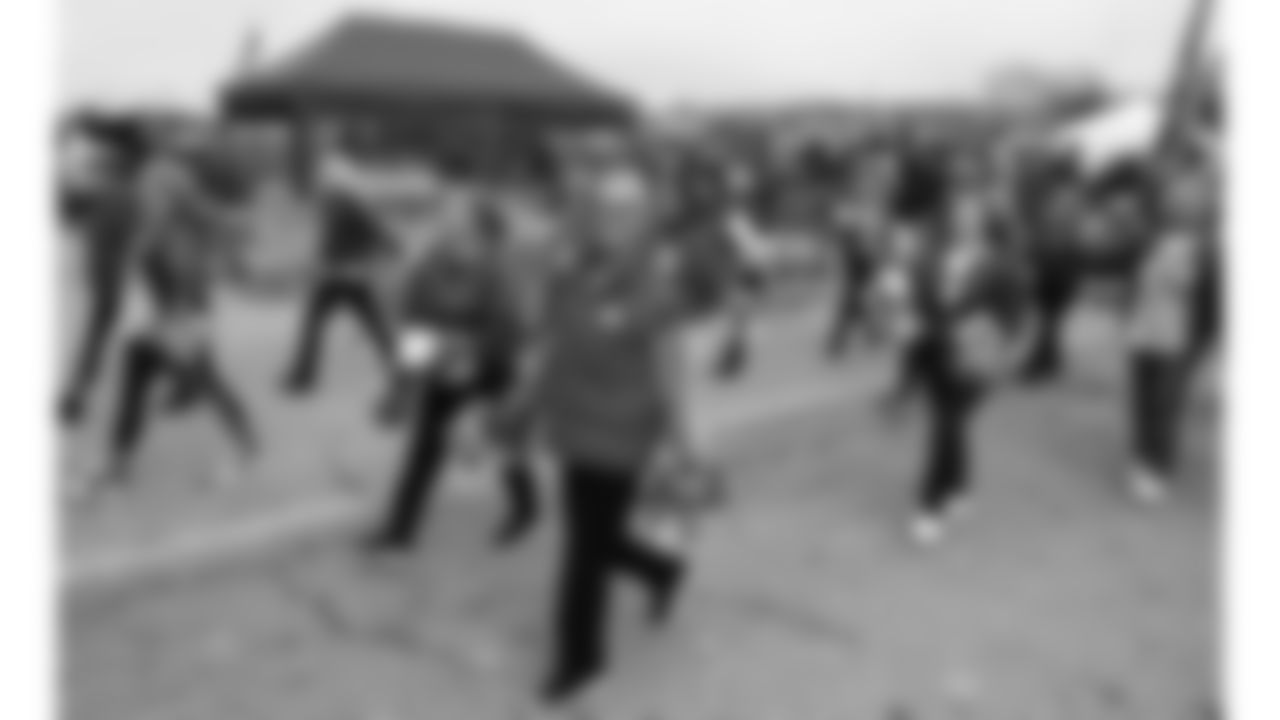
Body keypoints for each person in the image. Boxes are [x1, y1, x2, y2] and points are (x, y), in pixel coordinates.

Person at [521, 157, 695, 704]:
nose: (611, 216)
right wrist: (522, 407)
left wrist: (683, 442)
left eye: (625, 207)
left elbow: (672, 369)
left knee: (581, 553)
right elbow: (546, 338)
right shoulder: (572, 269)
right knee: (597, 542)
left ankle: (580, 659)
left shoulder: (657, 287)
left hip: (623, 437)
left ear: (645, 216)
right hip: (574, 427)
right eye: (603, 206)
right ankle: (662, 569)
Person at [85, 125, 262, 494]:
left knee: (206, 379)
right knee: (135, 376)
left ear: (125, 156)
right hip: (157, 299)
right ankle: (119, 462)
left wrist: (231, 240)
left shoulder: (158, 179)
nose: (101, 167)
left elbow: (171, 230)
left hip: (175, 297)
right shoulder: (145, 181)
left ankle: (246, 447)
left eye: (107, 160)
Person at [362, 187, 539, 552]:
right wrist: (398, 390)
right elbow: (414, 327)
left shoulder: (497, 270)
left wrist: (469, 350)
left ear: (481, 232)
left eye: (458, 225)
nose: (447, 231)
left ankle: (526, 506)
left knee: (498, 443)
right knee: (424, 450)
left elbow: (513, 330)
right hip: (444, 370)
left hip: (490, 370)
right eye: (444, 223)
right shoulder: (429, 267)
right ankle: (399, 530)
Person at [280, 133, 398, 399]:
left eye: (327, 179)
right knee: (371, 327)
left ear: (337, 181)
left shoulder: (349, 204)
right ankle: (302, 377)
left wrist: (387, 250)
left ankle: (302, 378)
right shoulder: (335, 204)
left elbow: (380, 232)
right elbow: (333, 243)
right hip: (339, 277)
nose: (323, 183)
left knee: (374, 327)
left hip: (348, 276)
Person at [1125, 162, 1213, 503]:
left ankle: (1158, 468)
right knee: (1142, 401)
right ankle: (1141, 458)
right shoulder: (1154, 239)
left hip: (1176, 339)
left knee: (1164, 406)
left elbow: (1205, 298)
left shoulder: (1204, 249)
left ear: (1199, 207)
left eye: (1186, 199)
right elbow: (1138, 283)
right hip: (1142, 333)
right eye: (1174, 198)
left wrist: (1198, 344)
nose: (1177, 204)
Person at [58, 119, 139, 426]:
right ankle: (75, 395)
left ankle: (76, 393)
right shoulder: (122, 191)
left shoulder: (107, 186)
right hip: (114, 277)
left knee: (98, 335)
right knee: (103, 336)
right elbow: (131, 238)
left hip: (104, 274)